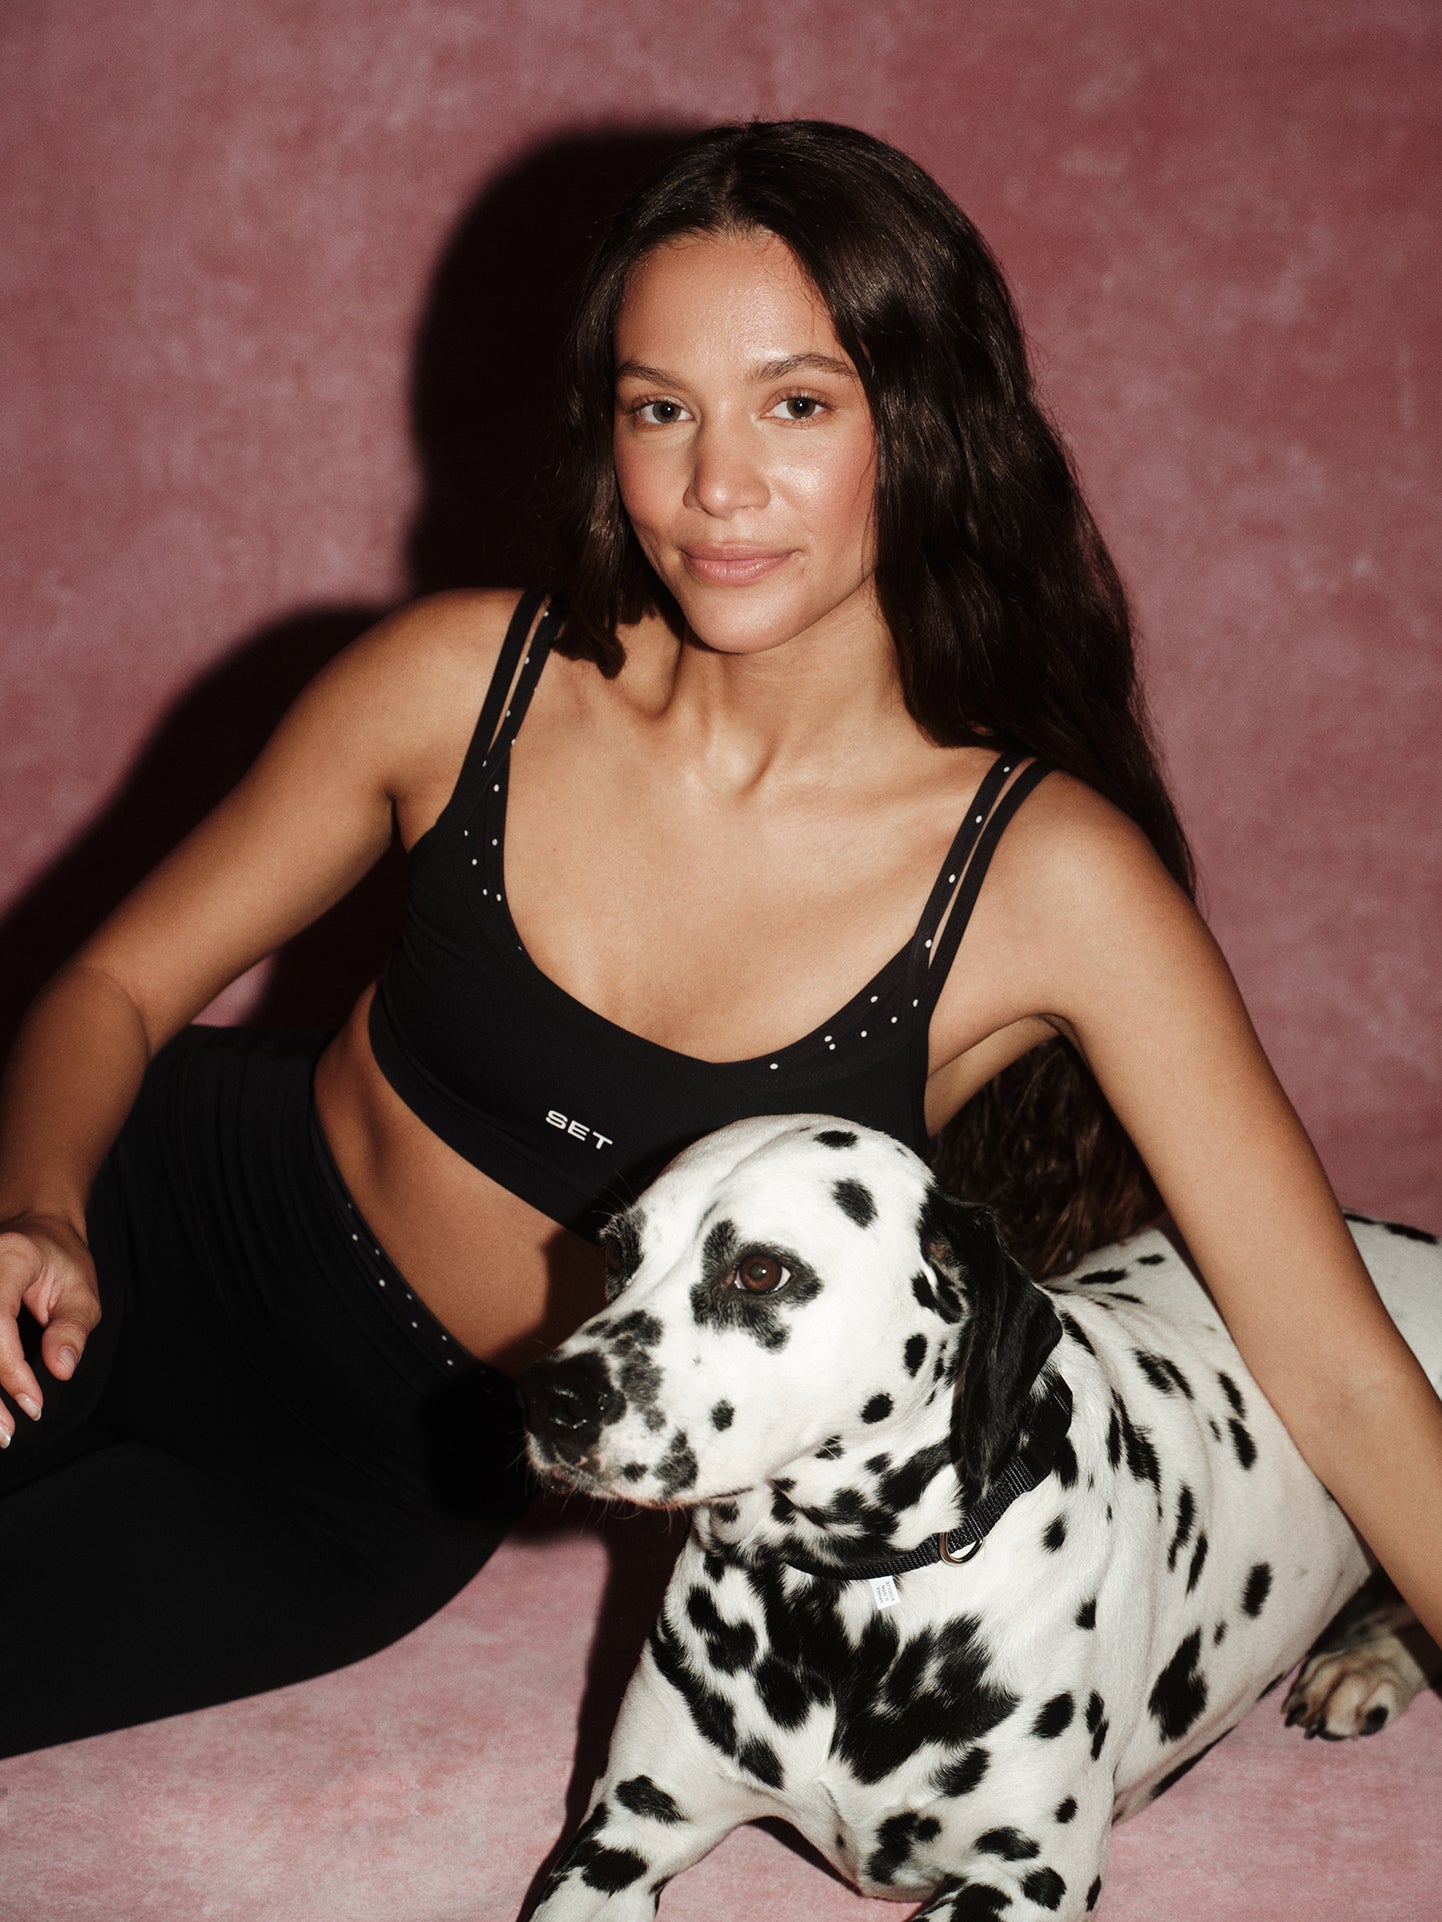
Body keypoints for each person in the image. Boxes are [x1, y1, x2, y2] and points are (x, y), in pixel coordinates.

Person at [1, 120, 1438, 1762]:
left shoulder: (1049, 881)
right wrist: (37, 1201)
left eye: (798, 404)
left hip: (375, 1487)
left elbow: (1342, 1384)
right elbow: (112, 988)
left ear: (929, 427)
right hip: (145, 1227)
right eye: (658, 408)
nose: (715, 485)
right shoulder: (461, 684)